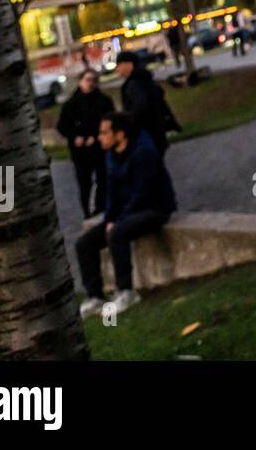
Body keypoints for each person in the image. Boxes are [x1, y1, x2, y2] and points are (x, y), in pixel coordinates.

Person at [75, 111, 177, 318]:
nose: (100, 137)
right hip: (128, 212)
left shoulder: (144, 153)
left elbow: (142, 194)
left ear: (120, 135)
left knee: (117, 234)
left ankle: (126, 292)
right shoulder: (111, 155)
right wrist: (109, 219)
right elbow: (112, 194)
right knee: (84, 244)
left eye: (104, 133)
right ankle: (95, 296)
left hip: (154, 208)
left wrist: (118, 222)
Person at [56, 69, 115, 219]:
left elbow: (111, 121)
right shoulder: (71, 104)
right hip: (80, 152)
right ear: (80, 81)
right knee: (84, 183)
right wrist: (75, 137)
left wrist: (96, 136)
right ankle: (88, 212)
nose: (91, 83)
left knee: (104, 178)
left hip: (100, 148)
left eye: (94, 80)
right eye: (88, 80)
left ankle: (102, 208)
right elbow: (62, 126)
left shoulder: (104, 101)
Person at [114, 50, 179, 154]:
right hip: (156, 133)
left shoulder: (134, 84)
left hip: (145, 135)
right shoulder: (146, 80)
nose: (117, 69)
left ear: (129, 64)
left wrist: (124, 119)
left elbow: (139, 107)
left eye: (119, 65)